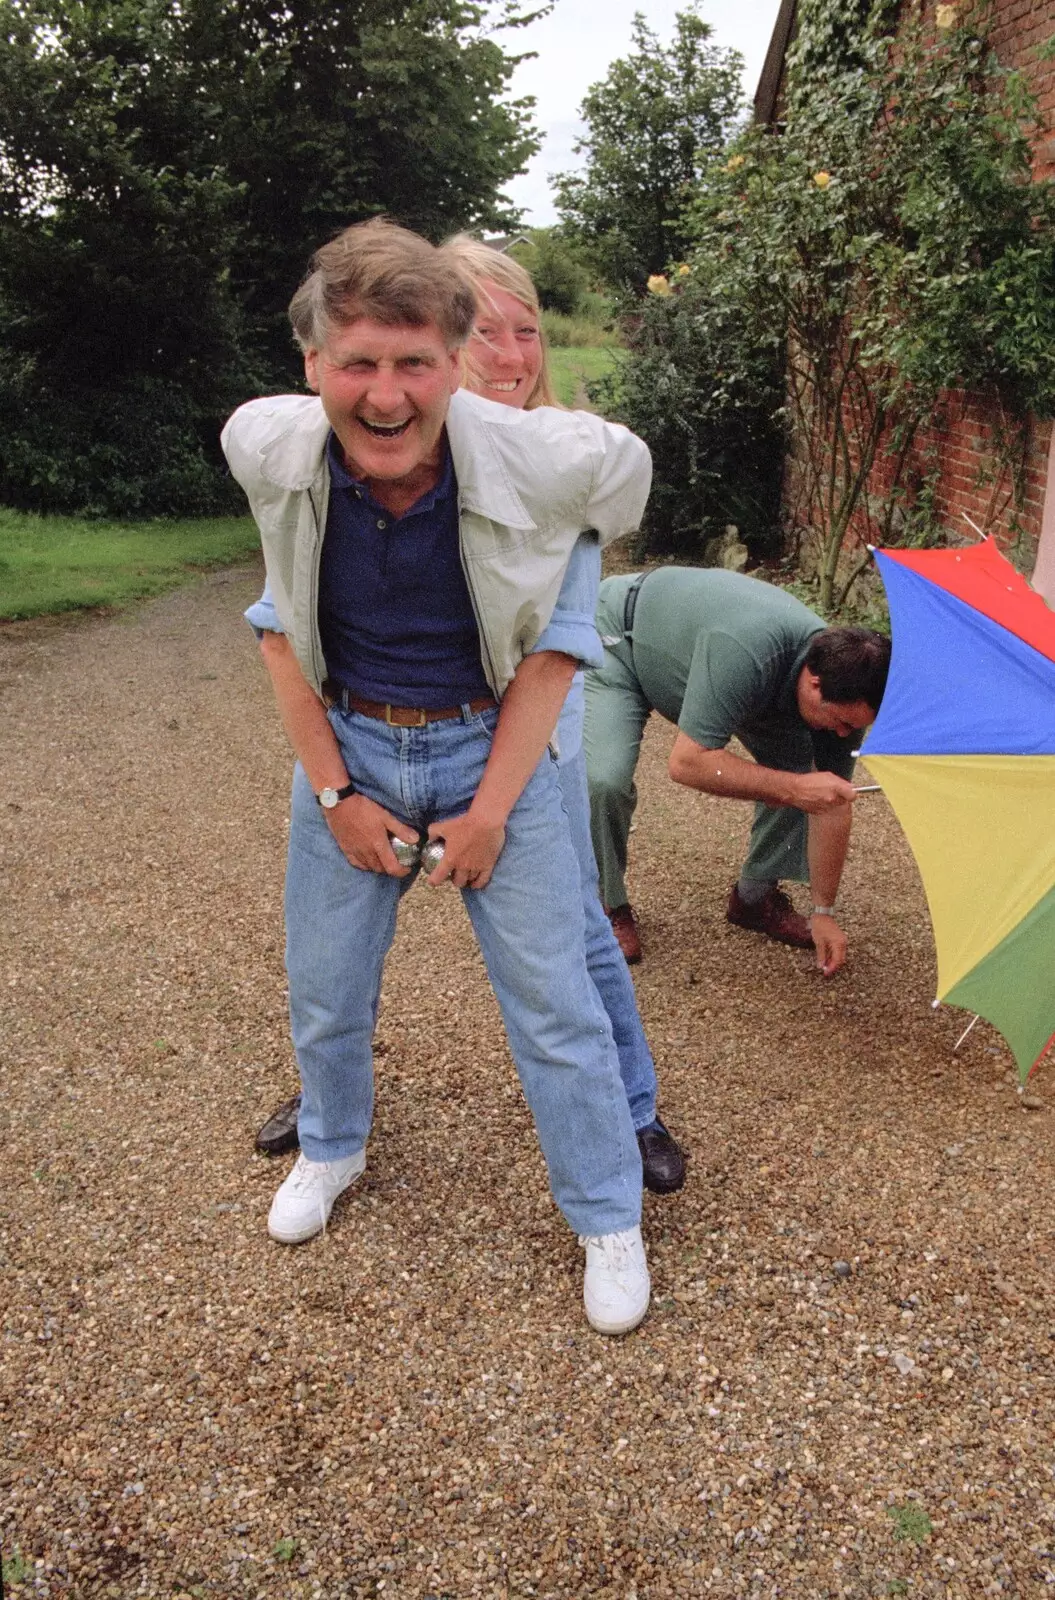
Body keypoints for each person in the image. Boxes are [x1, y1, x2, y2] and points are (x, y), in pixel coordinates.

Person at [224, 218, 652, 1335]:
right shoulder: (270, 448)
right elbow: (278, 635)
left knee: (555, 1002)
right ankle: (331, 1146)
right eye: (356, 361)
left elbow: (561, 642)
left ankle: (608, 1214)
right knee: (322, 983)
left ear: (456, 367)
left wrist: (490, 814)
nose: (383, 392)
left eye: (413, 362)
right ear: (311, 365)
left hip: (488, 743)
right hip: (353, 742)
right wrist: (336, 795)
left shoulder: (551, 463)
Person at [584, 567, 890, 973]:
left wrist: (824, 912)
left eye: (855, 727)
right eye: (842, 722)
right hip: (621, 638)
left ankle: (754, 899)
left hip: (721, 666)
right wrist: (793, 788)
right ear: (814, 683)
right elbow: (687, 762)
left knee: (803, 777)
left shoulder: (843, 694)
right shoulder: (747, 652)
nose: (843, 734)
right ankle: (606, 904)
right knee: (605, 779)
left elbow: (831, 804)